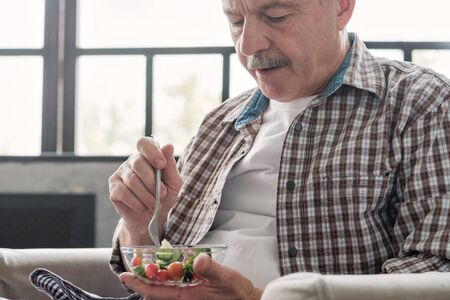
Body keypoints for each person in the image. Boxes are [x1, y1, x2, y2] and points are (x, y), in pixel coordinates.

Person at [108, 0, 450, 299]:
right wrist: (140, 223)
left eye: (276, 15)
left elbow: (435, 267)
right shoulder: (220, 123)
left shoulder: (422, 104)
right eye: (236, 22)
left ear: (341, 6)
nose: (248, 44)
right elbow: (154, 269)